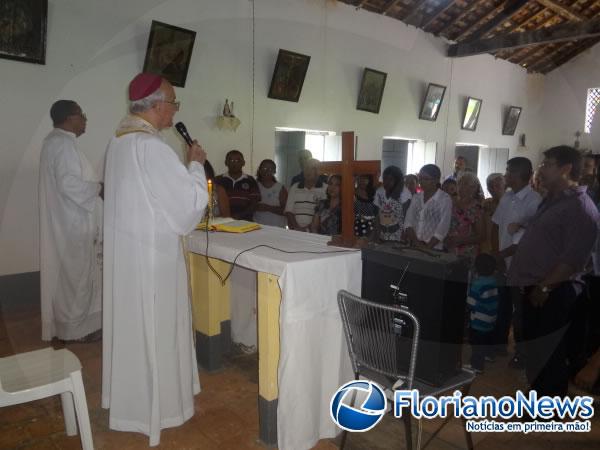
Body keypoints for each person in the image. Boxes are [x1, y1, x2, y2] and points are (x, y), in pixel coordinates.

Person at [102, 73, 208, 446]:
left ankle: (130, 402)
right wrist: (195, 164)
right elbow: (186, 211)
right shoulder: (153, 148)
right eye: (173, 103)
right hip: (153, 261)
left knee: (134, 327)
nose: (175, 111)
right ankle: (160, 408)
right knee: (155, 328)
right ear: (156, 105)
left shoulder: (118, 143)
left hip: (129, 259)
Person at [508, 146, 599, 397]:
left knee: (548, 352)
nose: (540, 169)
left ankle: (546, 408)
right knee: (534, 349)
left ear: (565, 169)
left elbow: (573, 259)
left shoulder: (581, 207)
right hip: (535, 288)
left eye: (547, 164)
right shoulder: (552, 200)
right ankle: (537, 397)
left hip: (552, 291)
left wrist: (546, 287)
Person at [39, 100, 103, 343]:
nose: (85, 119)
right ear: (69, 118)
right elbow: (69, 184)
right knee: (76, 279)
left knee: (71, 278)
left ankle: (71, 327)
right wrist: (100, 188)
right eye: (81, 115)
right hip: (73, 224)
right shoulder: (63, 144)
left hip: (66, 222)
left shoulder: (55, 142)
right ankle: (77, 330)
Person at [492, 157, 542, 365]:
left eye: (509, 172)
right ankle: (498, 345)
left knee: (520, 311)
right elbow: (495, 225)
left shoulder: (535, 201)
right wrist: (497, 255)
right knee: (501, 306)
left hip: (521, 266)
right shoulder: (507, 197)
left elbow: (527, 239)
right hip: (502, 262)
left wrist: (503, 256)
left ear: (521, 174)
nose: (505, 175)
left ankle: (522, 353)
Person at [404, 164, 453, 250]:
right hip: (414, 246)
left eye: (425, 179)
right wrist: (417, 244)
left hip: (434, 248)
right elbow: (408, 222)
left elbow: (443, 228)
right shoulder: (416, 197)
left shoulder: (444, 199)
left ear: (436, 180)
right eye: (420, 178)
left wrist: (427, 247)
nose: (421, 182)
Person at [467, 253, 500, 374]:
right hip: (491, 317)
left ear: (476, 268)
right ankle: (489, 355)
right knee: (488, 338)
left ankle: (477, 365)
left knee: (477, 344)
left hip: (478, 320)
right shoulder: (493, 281)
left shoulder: (478, 284)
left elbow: (470, 303)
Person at [445, 172, 484, 260]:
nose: (461, 186)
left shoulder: (477, 208)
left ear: (474, 188)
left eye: (466, 184)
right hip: (448, 248)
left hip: (466, 252)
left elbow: (480, 236)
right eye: (459, 183)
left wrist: (460, 240)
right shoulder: (450, 203)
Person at [215, 150, 261, 221]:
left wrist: (239, 216)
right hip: (222, 221)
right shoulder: (218, 180)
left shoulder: (250, 180)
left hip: (246, 221)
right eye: (231, 160)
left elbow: (254, 203)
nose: (234, 163)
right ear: (226, 163)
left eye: (237, 160)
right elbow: (213, 201)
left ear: (243, 163)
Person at [285, 158, 327, 231]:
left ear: (318, 171)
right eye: (306, 168)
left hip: (315, 231)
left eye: (312, 168)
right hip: (295, 230)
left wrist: (307, 229)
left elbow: (323, 214)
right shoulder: (295, 187)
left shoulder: (326, 189)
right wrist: (297, 228)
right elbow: (289, 211)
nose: (308, 171)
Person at [372, 166, 411, 242]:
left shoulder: (404, 193)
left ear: (397, 180)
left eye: (390, 179)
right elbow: (377, 215)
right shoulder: (380, 192)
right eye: (385, 178)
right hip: (382, 233)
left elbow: (407, 218)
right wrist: (377, 234)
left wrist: (404, 235)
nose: (387, 182)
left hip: (399, 234)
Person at [254, 159, 288, 227]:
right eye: (264, 168)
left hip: (277, 228)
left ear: (274, 171)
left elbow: (286, 211)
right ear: (260, 170)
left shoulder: (280, 188)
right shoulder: (254, 186)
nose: (267, 171)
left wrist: (268, 208)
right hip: (257, 227)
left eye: (270, 168)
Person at [481, 173, 505, 253]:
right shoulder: (485, 204)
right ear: (487, 189)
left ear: (504, 186)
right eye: (491, 186)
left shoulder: (511, 204)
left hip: (504, 248)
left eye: (498, 185)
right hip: (486, 247)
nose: (494, 189)